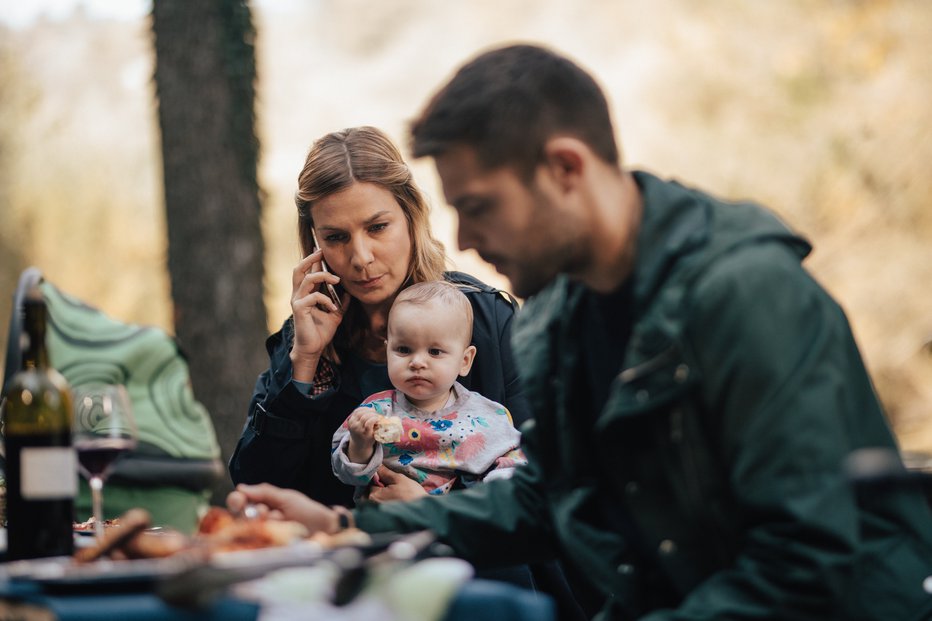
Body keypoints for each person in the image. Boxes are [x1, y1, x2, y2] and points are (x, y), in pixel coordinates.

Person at [230, 45, 932, 620]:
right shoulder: (560, 315)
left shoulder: (746, 295)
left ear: (566, 168)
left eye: (480, 207)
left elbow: (805, 565)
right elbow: (546, 497)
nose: (466, 237)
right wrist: (348, 527)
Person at [228, 126, 530, 509]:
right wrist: (304, 363)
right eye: (336, 237)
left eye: (377, 227)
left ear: (410, 216)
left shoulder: (485, 318)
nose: (361, 257)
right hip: (345, 557)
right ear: (315, 243)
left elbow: (545, 470)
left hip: (474, 562)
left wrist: (437, 506)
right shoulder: (304, 337)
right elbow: (256, 485)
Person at [332, 280, 527, 500]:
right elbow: (347, 474)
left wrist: (489, 491)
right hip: (383, 523)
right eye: (403, 350)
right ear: (388, 352)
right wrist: (360, 444)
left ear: (464, 361)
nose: (417, 362)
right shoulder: (375, 411)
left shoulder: (485, 417)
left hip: (454, 525)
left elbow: (515, 463)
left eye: (434, 352)